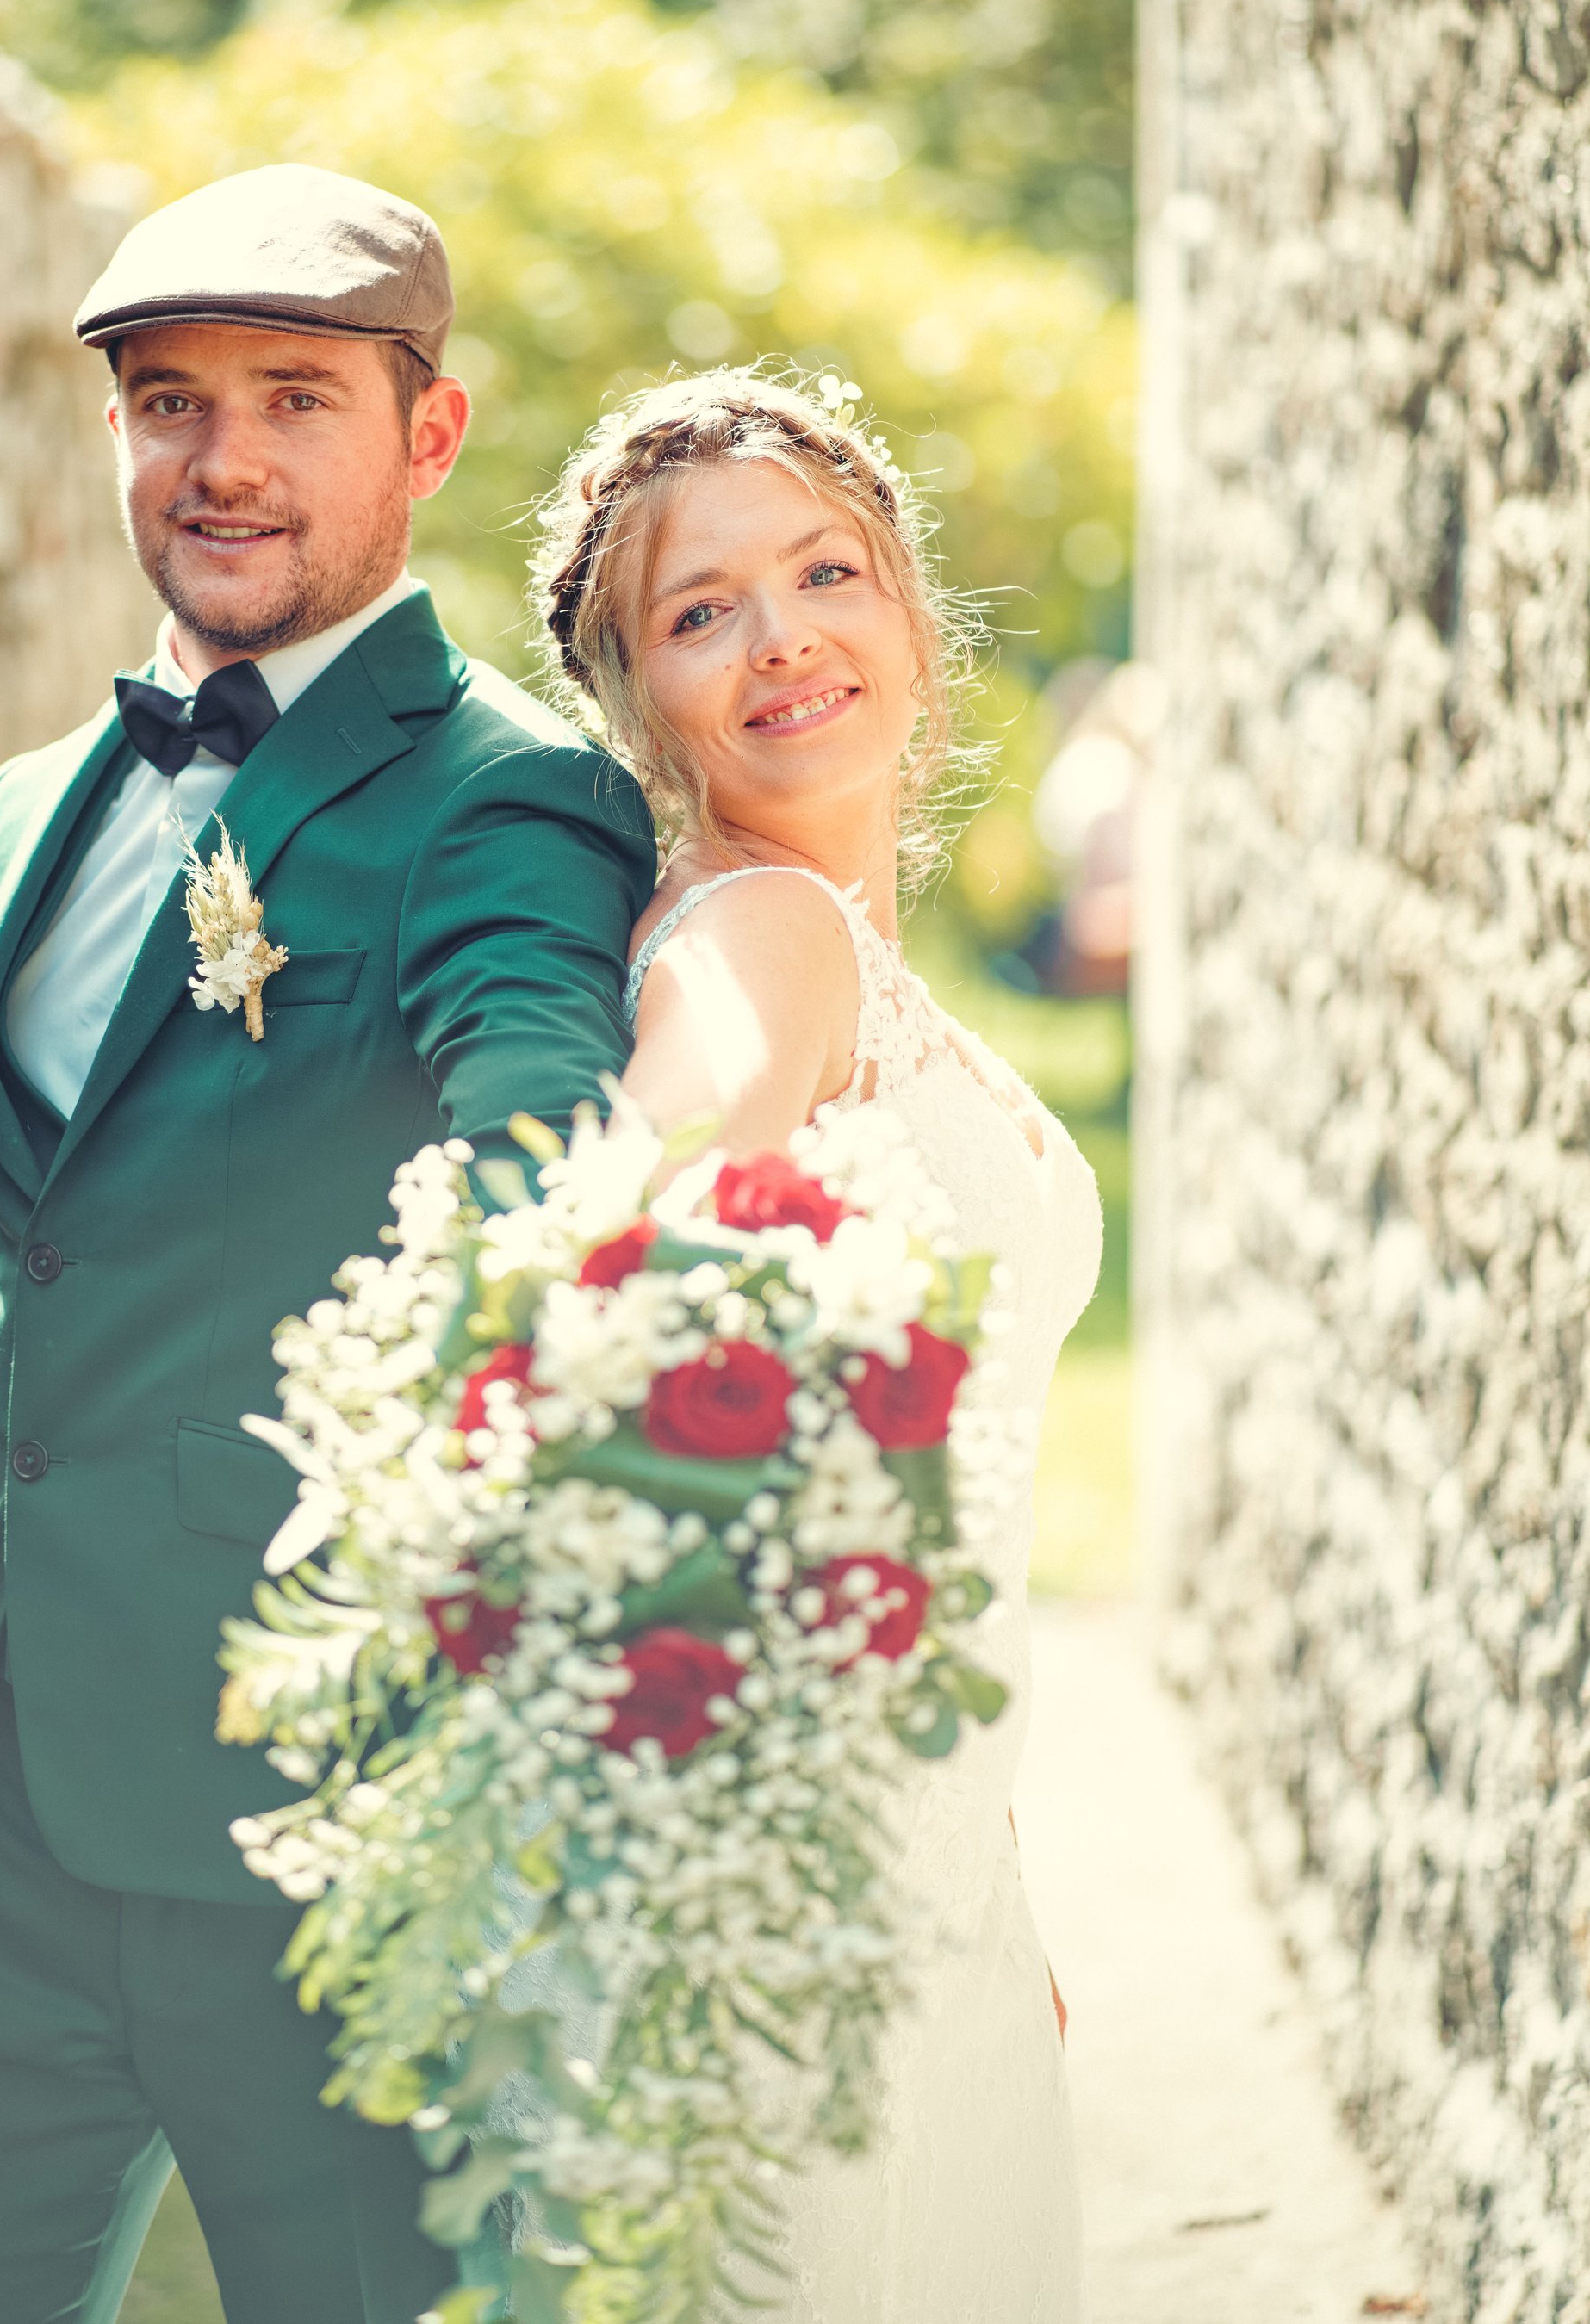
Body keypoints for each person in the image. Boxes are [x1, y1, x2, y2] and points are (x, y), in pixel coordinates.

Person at [0, 164, 655, 2324]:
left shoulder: (505, 799)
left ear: (426, 435)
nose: (225, 460)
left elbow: (538, 1127)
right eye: (169, 401)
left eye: (294, 397)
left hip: (319, 1803)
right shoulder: (24, 802)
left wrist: (517, 1249)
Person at [531, 366, 1097, 2321]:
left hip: (934, 1873)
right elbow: (619, 1240)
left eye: (823, 573)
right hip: (778, 1885)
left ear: (911, 619)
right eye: (702, 611)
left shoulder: (851, 962)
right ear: (635, 703)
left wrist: (990, 1867)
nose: (781, 638)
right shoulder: (754, 941)